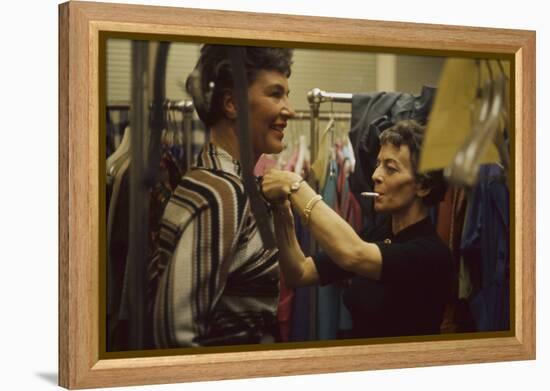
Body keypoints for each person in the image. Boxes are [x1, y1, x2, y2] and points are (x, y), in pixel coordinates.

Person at [151, 44, 295, 347]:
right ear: (232, 104)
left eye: (287, 94)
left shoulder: (233, 184)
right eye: (275, 94)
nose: (289, 109)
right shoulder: (221, 194)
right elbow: (175, 336)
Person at [261, 119, 452, 338]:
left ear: (423, 185)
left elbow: (353, 254)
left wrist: (295, 185)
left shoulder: (431, 254)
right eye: (378, 164)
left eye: (390, 168)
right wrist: (282, 210)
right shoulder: (378, 234)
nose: (375, 175)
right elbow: (300, 272)